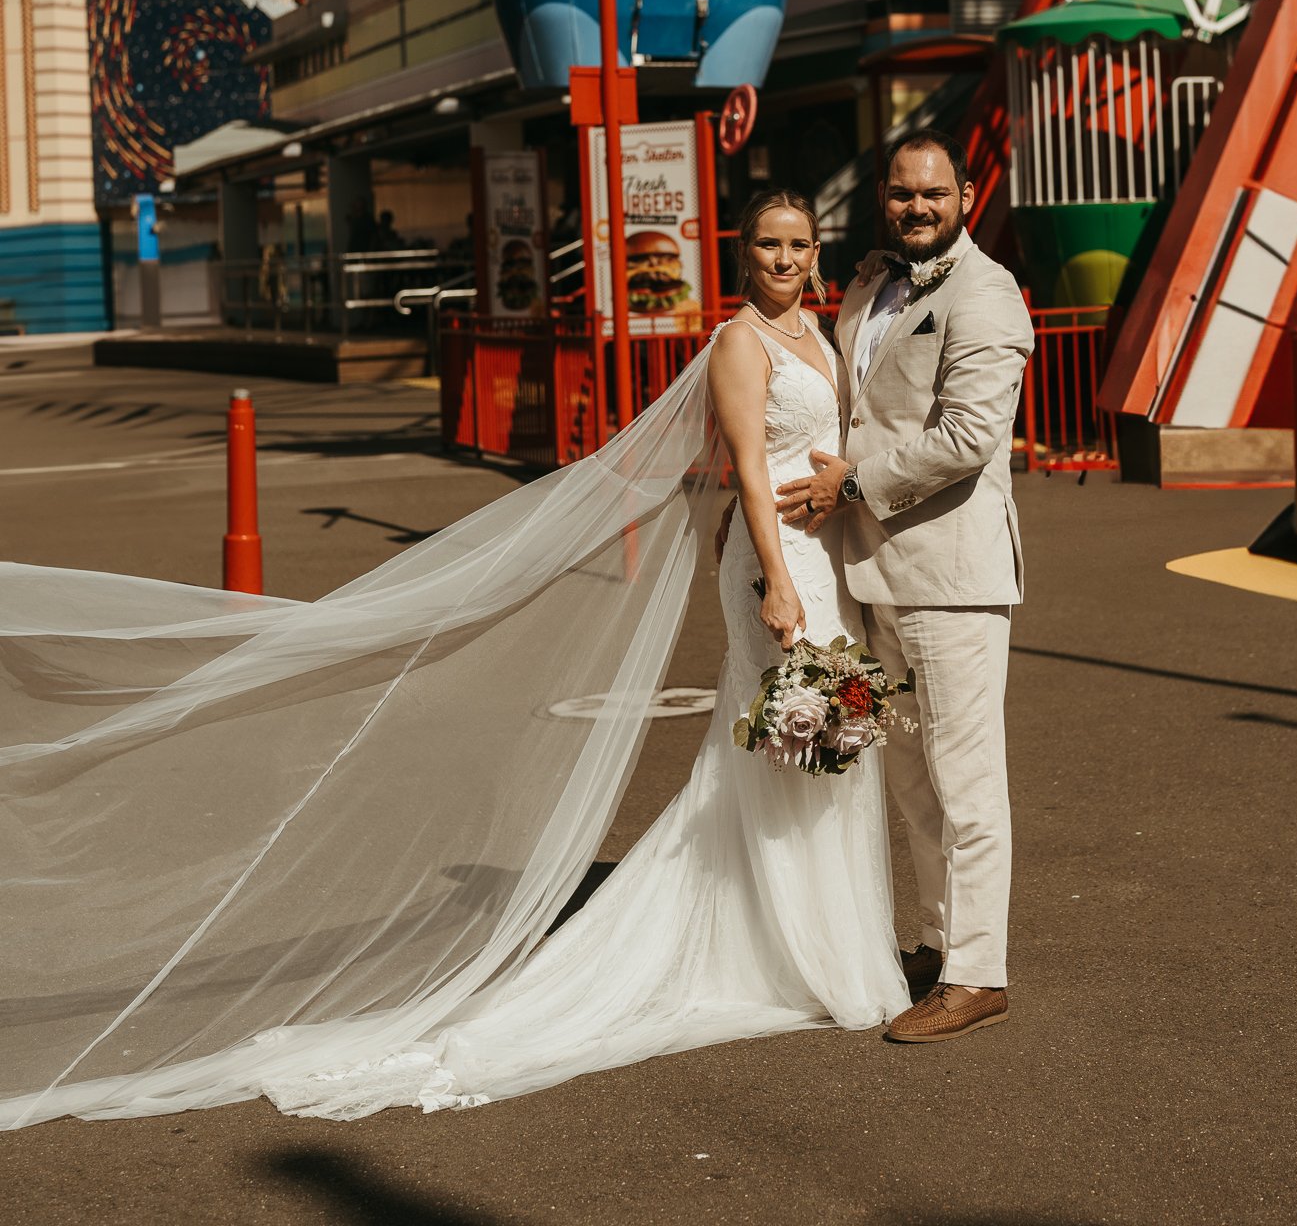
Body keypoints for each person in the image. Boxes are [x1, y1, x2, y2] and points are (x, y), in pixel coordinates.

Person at [0, 190, 906, 1128]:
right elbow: (748, 470)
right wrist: (773, 575)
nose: (784, 258)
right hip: (778, 565)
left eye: (797, 244)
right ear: (742, 251)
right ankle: (797, 952)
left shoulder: (822, 333)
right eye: (767, 243)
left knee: (820, 746)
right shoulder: (736, 342)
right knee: (782, 745)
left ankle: (821, 944)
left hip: (825, 554)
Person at [775, 129, 1033, 1043]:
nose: (914, 207)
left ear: (964, 195)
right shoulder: (866, 282)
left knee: (963, 781)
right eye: (899, 193)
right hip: (871, 570)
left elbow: (969, 436)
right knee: (911, 780)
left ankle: (977, 972)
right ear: (881, 197)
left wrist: (851, 484)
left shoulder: (986, 292)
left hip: (948, 572)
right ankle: (935, 943)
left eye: (932, 194)